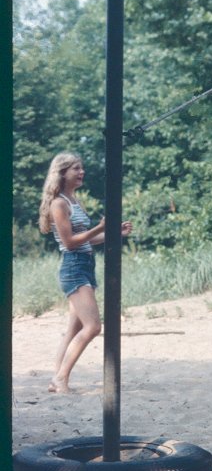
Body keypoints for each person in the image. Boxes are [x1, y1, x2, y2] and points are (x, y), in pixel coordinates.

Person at [38, 152, 133, 393]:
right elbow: (70, 242)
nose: (81, 172)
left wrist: (113, 233)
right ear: (62, 173)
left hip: (84, 264)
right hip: (74, 267)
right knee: (93, 327)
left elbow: (87, 241)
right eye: (75, 169)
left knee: (74, 328)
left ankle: (56, 379)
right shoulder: (59, 203)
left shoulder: (75, 200)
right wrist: (100, 227)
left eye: (81, 168)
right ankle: (61, 379)